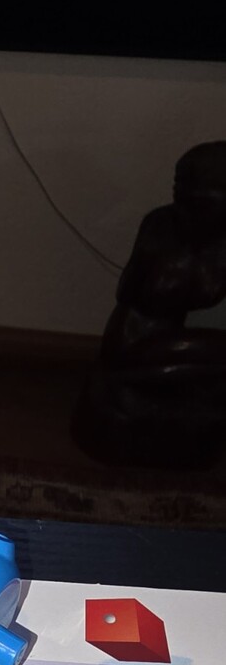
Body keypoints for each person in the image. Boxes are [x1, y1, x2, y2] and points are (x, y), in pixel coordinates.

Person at [74, 141, 226, 467]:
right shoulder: (161, 225)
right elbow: (134, 290)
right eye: (181, 190)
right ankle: (135, 387)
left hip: (164, 339)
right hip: (132, 339)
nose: (186, 202)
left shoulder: (215, 242)